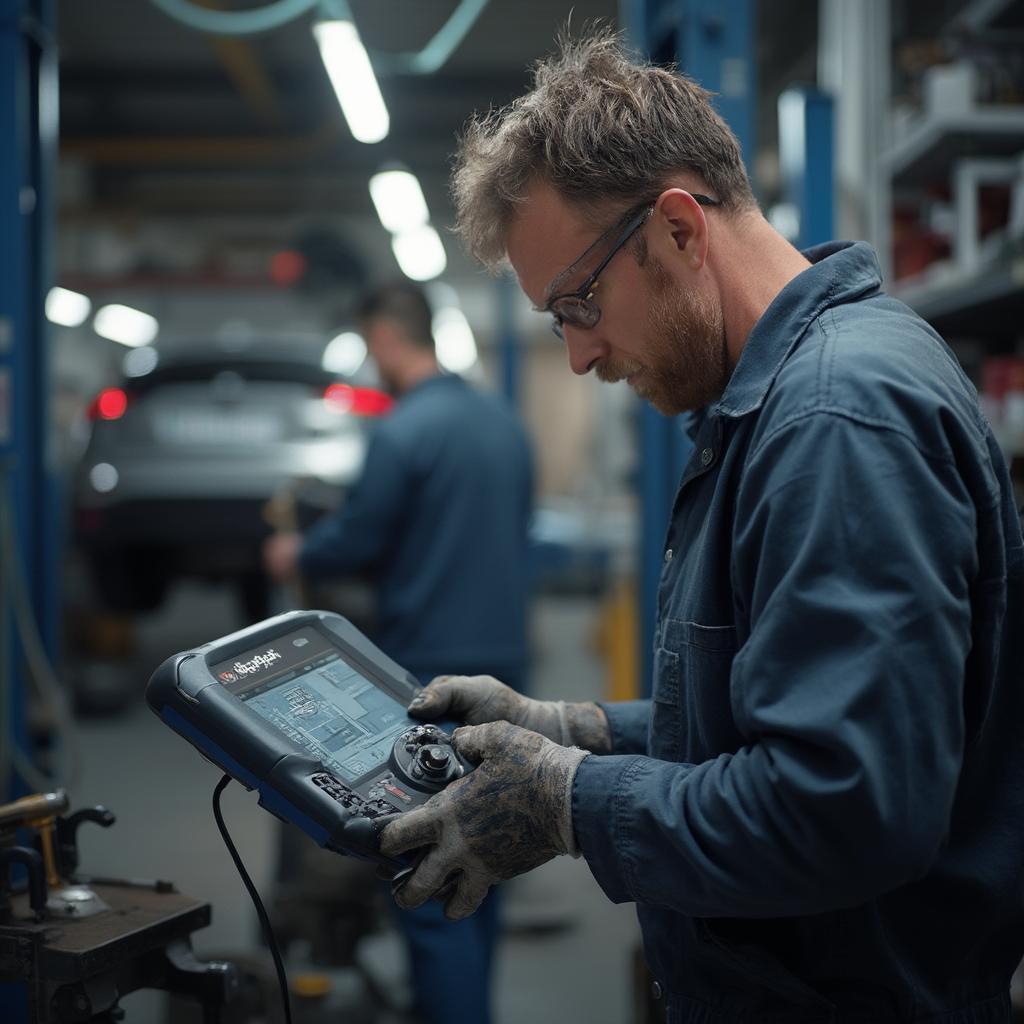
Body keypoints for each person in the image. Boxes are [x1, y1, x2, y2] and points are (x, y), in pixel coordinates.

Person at [379, 29, 1024, 1024]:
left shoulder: (833, 420)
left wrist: (570, 799)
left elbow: (843, 810)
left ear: (680, 230)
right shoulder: (779, 401)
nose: (580, 356)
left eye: (579, 303)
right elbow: (783, 709)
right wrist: (580, 731)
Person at [263, 282, 533, 1024]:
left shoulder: (404, 430)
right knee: (490, 859)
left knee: (434, 871)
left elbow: (360, 537)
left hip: (430, 677)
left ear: (384, 338)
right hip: (511, 676)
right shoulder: (503, 423)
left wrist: (297, 549)